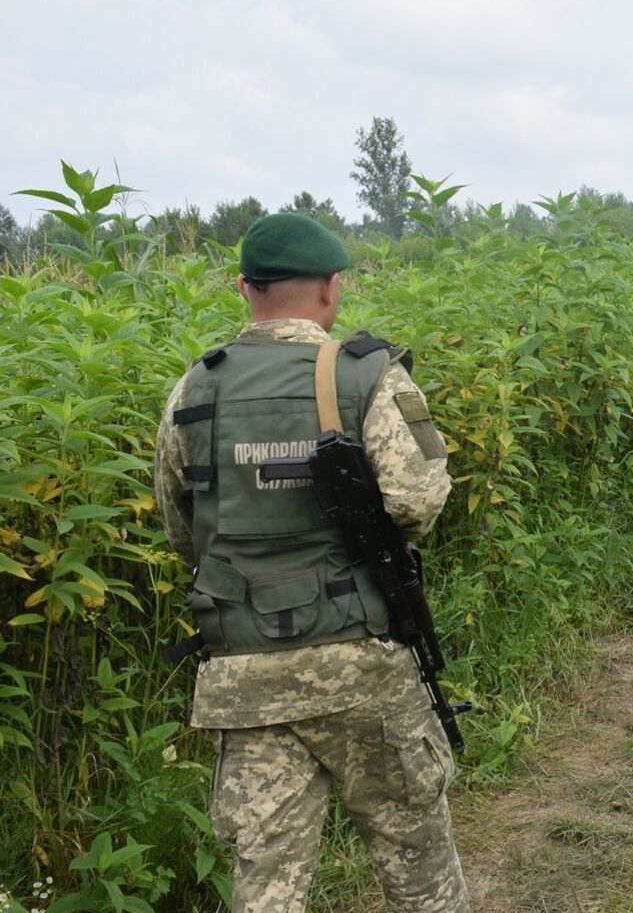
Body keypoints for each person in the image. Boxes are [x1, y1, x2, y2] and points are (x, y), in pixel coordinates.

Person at [153, 213, 470, 912]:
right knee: (418, 868)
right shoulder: (366, 376)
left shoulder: (193, 390)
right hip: (362, 666)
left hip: (246, 674)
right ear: (331, 287)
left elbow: (183, 530)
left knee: (266, 885)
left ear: (245, 288)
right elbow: (418, 501)